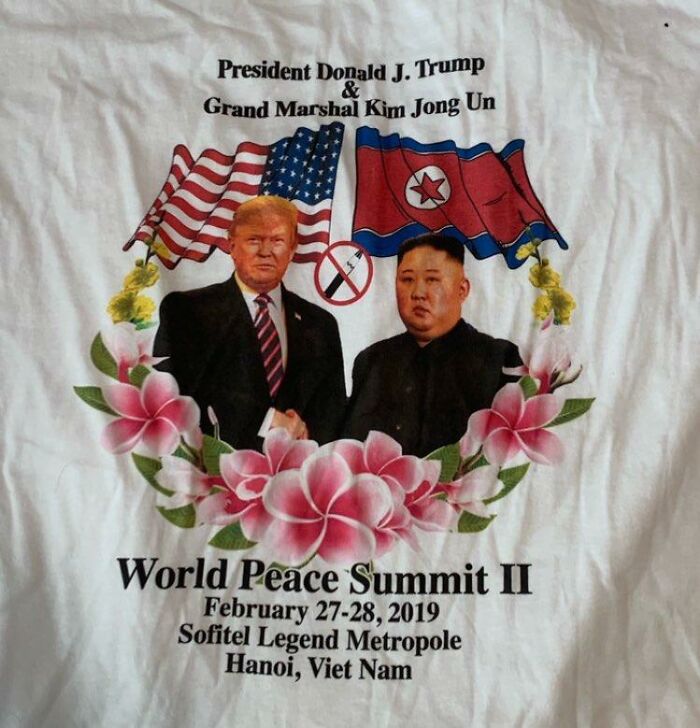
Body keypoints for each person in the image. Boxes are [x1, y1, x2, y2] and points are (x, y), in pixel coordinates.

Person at [153, 196, 345, 449]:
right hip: (212, 465)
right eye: (254, 240)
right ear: (231, 245)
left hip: (299, 467)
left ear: (292, 249)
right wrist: (265, 421)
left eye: (277, 241)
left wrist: (306, 440)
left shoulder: (321, 324)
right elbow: (176, 393)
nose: (265, 252)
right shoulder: (187, 311)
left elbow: (333, 412)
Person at [343, 233, 521, 457]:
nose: (418, 293)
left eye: (432, 280)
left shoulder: (497, 359)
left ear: (462, 290)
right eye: (407, 280)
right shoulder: (371, 361)